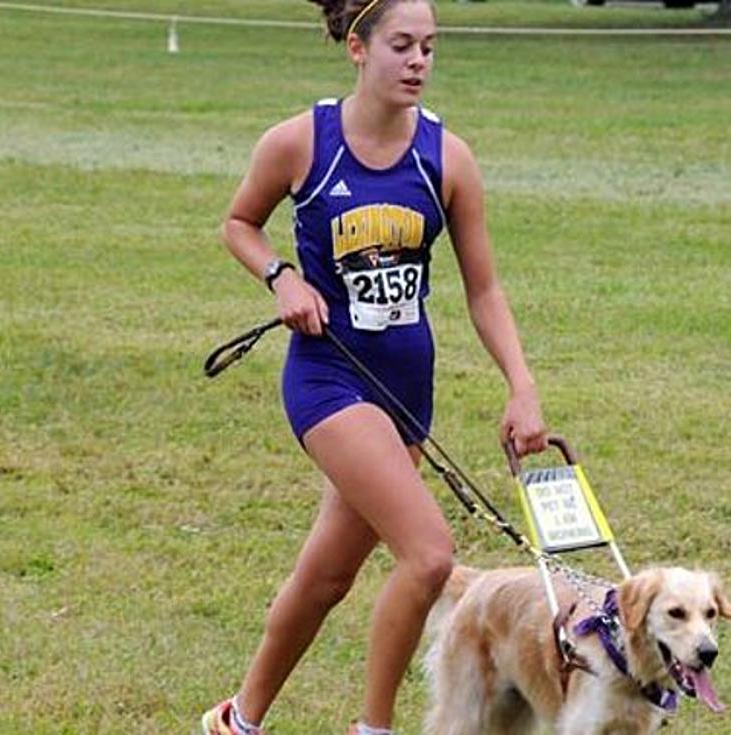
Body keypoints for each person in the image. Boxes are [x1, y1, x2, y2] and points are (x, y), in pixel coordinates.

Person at [202, 0, 547, 733]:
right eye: (401, 45)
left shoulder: (447, 158)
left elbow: (484, 289)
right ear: (358, 48)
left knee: (327, 576)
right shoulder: (302, 142)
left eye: (429, 46)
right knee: (428, 556)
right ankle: (374, 727)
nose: (419, 60)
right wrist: (281, 278)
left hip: (407, 390)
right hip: (328, 379)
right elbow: (239, 224)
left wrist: (522, 386)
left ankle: (238, 718)